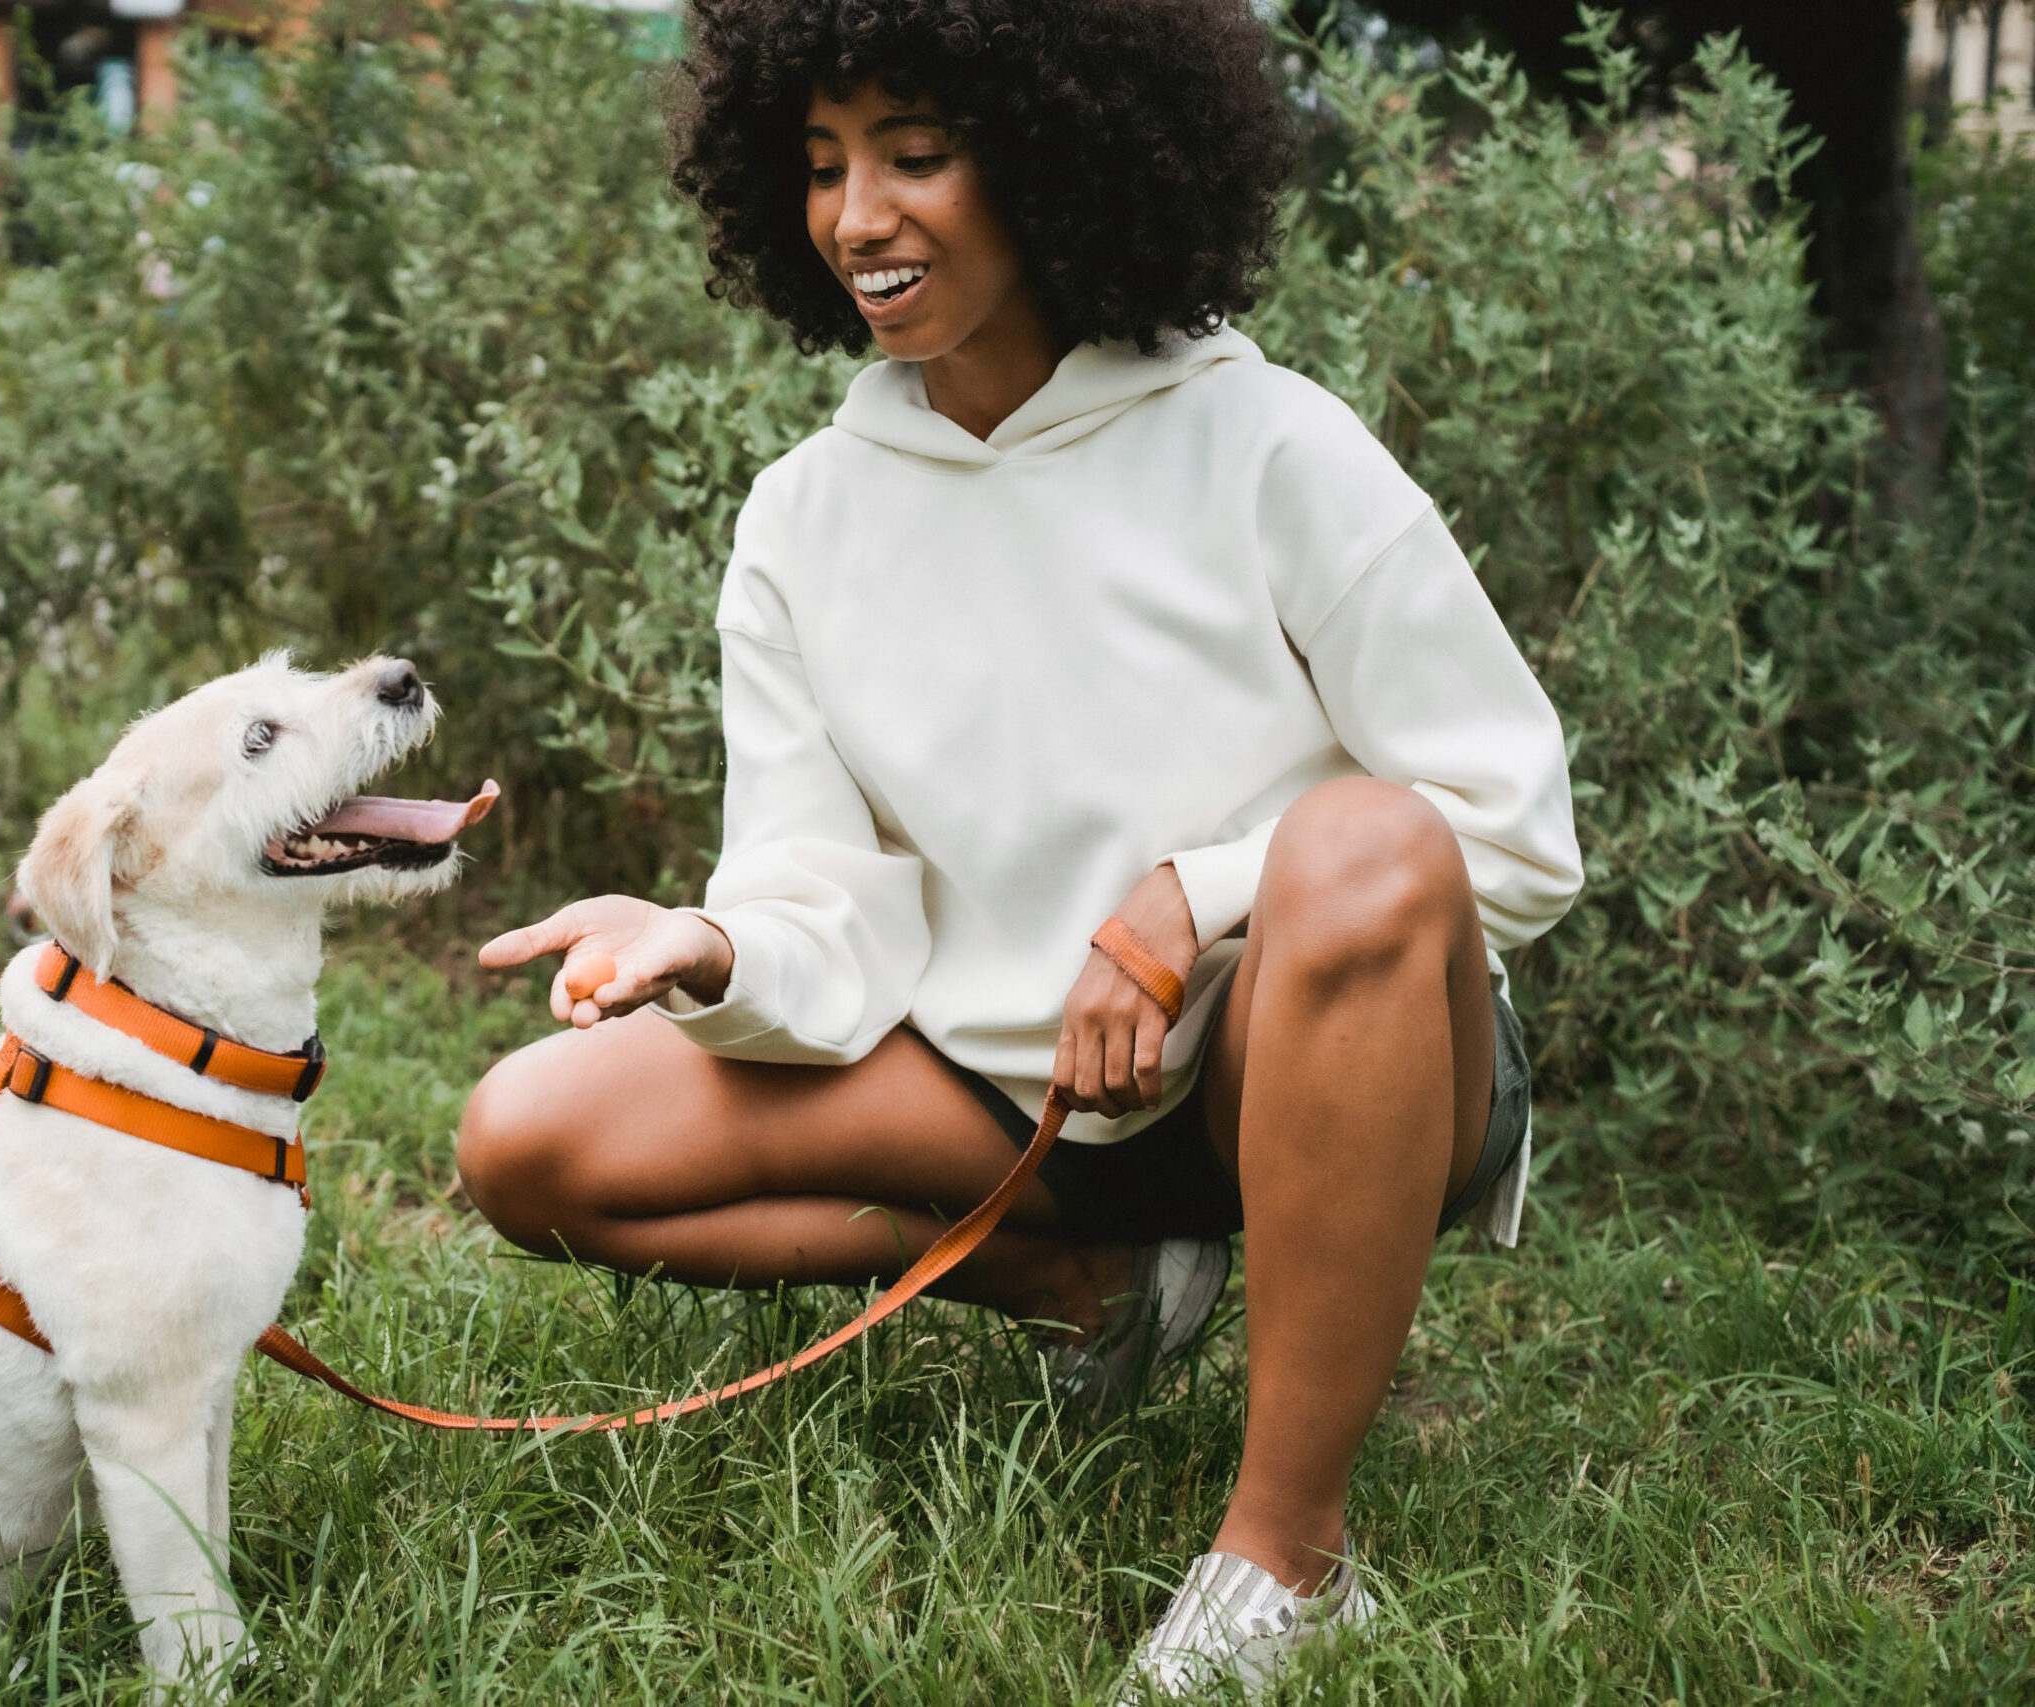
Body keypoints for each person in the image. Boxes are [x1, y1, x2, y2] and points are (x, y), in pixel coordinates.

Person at [456, 0, 1582, 1692]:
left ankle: (1287, 1550)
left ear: (1057, 157)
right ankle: (1087, 1275)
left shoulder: (1269, 440)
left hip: (1312, 1061)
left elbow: (1507, 827)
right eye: (824, 167)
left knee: (1359, 842)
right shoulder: (802, 516)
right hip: (1024, 1096)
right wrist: (719, 945)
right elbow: (823, 889)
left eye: (916, 154)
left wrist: (1193, 901)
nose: (856, 217)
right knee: (528, 1140)